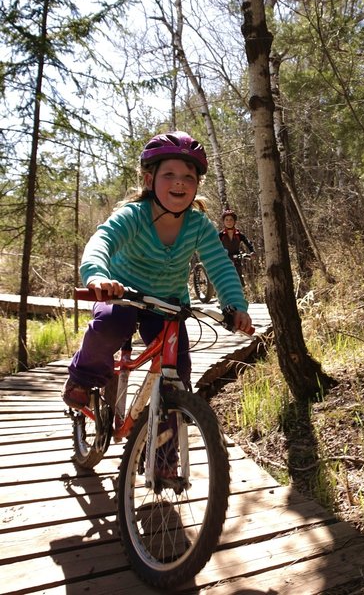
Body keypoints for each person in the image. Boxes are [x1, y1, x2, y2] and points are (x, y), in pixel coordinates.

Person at [62, 130, 252, 411]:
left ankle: (166, 450)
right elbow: (102, 241)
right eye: (169, 175)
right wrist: (98, 276)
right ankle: (81, 377)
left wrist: (235, 306)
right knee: (111, 324)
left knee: (177, 374)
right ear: (150, 180)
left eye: (189, 177)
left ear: (197, 185)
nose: (179, 182)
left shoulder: (198, 225)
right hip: (121, 294)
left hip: (166, 305)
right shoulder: (134, 215)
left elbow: (220, 265)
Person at [218, 209, 256, 282]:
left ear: (234, 221)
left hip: (236, 259)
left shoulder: (239, 235)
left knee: (238, 279)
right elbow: (214, 246)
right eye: (226, 220)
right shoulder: (221, 235)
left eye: (231, 220)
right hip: (224, 260)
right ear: (223, 222)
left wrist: (252, 251)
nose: (229, 222)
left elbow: (247, 243)